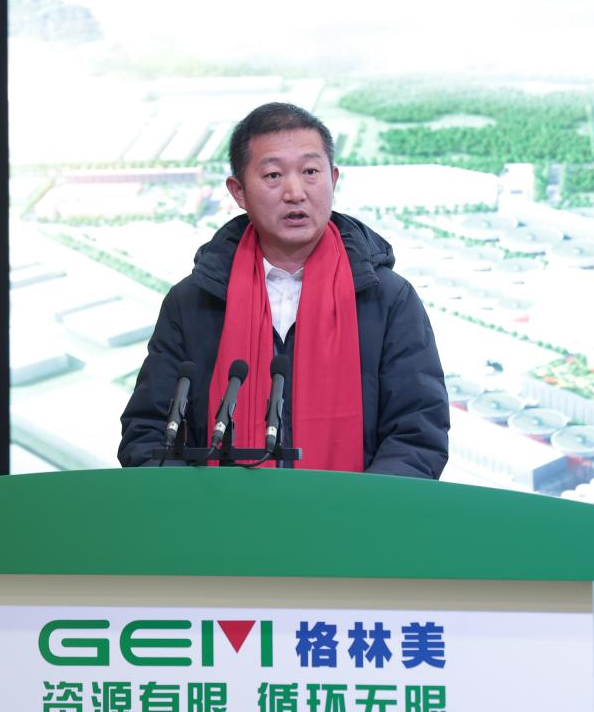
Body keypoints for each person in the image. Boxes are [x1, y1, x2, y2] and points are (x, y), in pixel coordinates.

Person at [118, 102, 448, 478]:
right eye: (273, 175)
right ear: (239, 191)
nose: (295, 192)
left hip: (354, 513)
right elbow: (147, 433)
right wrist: (201, 507)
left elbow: (418, 433)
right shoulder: (193, 301)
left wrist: (361, 509)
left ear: (333, 179)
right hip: (220, 514)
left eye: (310, 172)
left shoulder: (387, 299)